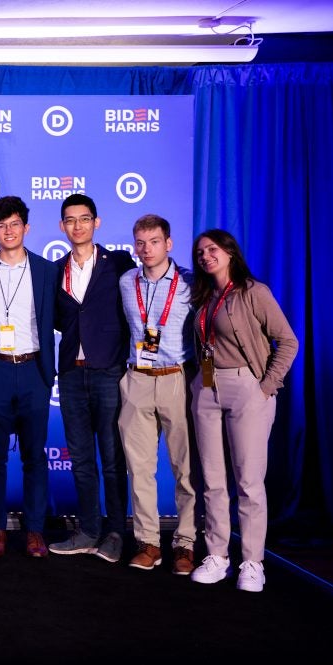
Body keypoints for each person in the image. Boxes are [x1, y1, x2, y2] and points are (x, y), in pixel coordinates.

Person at [188, 229, 298, 592]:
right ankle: (217, 555)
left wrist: (265, 387)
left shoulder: (254, 292)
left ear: (230, 252)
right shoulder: (205, 296)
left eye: (212, 249)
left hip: (246, 388)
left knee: (249, 481)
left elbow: (287, 341)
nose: (205, 256)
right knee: (213, 480)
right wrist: (200, 384)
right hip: (207, 387)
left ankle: (252, 562)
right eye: (201, 252)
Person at [49, 194, 135, 564]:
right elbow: (57, 319)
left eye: (84, 219)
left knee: (113, 457)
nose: (77, 226)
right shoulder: (56, 270)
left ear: (96, 223)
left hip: (108, 371)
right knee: (81, 458)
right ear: (62, 227)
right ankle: (87, 529)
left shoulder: (120, 263)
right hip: (71, 372)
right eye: (70, 220)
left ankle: (115, 531)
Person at [0, 196, 57, 559]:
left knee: (34, 457)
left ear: (26, 227)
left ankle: (35, 531)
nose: (8, 231)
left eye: (15, 224)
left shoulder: (47, 270)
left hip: (34, 370)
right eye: (1, 225)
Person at [117, 215, 197, 575]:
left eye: (153, 241)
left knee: (186, 468)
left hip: (176, 378)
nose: (146, 249)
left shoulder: (191, 284)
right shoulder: (126, 281)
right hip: (136, 378)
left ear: (169, 243)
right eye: (140, 242)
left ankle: (185, 543)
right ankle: (148, 542)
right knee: (140, 469)